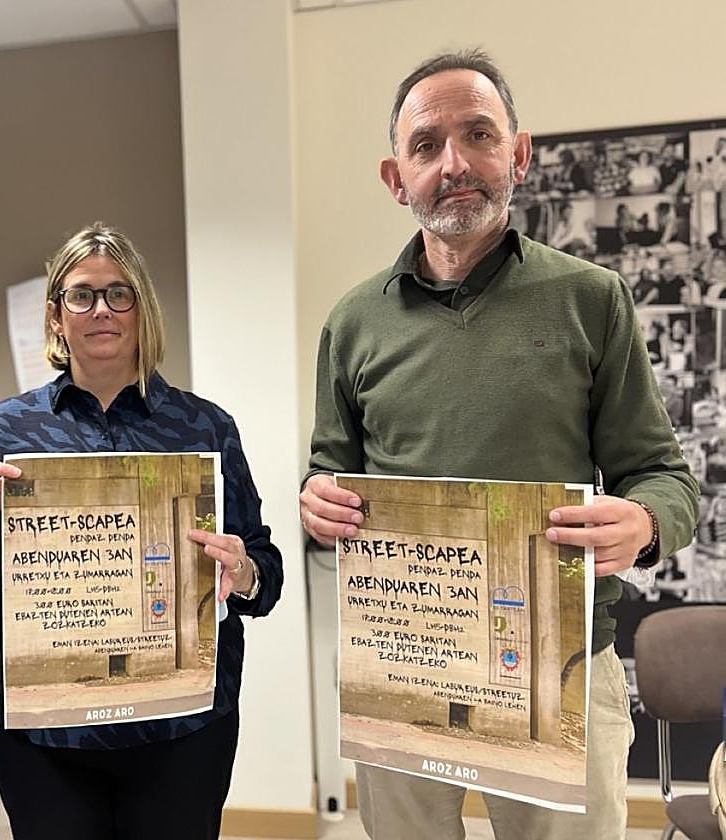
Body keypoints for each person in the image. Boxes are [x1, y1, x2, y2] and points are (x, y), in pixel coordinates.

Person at [299, 50, 698, 840]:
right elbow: (327, 471)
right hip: (404, 661)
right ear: (395, 177)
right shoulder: (353, 323)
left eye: (478, 134)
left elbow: (664, 476)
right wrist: (315, 501)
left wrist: (645, 524)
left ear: (518, 154)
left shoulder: (593, 299)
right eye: (426, 146)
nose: (454, 164)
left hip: (562, 666)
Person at [0, 222, 282, 840]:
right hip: (45, 729)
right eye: (82, 294)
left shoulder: (204, 429)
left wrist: (243, 570)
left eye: (120, 294)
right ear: (55, 315)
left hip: (181, 726)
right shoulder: (9, 428)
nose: (102, 310)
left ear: (142, 308)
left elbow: (265, 571)